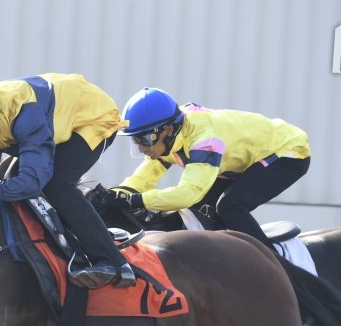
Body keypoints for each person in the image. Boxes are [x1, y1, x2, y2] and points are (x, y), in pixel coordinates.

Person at [0, 64, 135, 289]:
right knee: (6, 176)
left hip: (91, 116)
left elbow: (33, 182)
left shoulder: (22, 111)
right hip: (51, 118)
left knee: (56, 184)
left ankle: (113, 262)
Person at [112, 87, 311, 246]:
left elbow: (188, 193)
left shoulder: (204, 139)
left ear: (168, 130)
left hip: (288, 151)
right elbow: (143, 179)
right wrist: (114, 195)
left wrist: (134, 201)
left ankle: (273, 263)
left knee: (229, 206)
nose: (141, 148)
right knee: (197, 211)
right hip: (242, 161)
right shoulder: (169, 138)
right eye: (135, 140)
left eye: (144, 139)